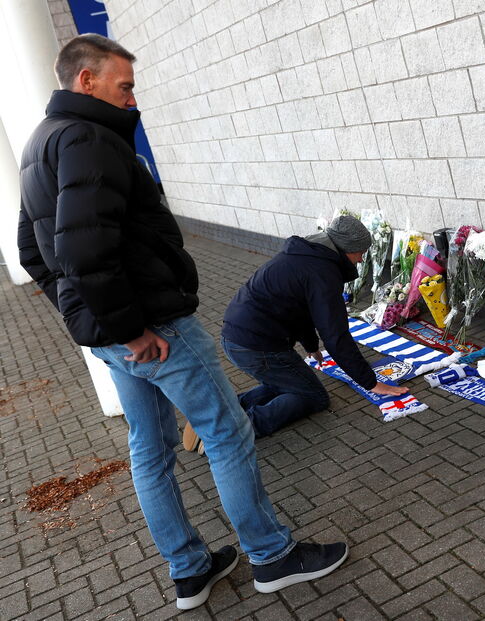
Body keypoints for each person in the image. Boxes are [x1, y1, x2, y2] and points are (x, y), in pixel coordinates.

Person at [17, 34, 346, 610]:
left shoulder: (39, 142)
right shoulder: (88, 138)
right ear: (86, 80)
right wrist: (128, 329)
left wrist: (89, 321)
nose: (132, 98)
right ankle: (272, 556)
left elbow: (35, 254)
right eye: (124, 86)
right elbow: (86, 252)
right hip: (152, 330)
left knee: (150, 446)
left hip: (114, 334)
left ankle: (190, 570)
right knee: (227, 433)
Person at [190, 215, 408, 445]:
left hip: (238, 337)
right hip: (257, 346)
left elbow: (301, 309)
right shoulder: (323, 272)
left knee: (286, 384)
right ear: (347, 248)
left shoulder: (307, 255)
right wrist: (372, 383)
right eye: (360, 252)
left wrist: (311, 346)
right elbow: (336, 336)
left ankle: (220, 413)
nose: (362, 259)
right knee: (313, 396)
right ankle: (234, 430)